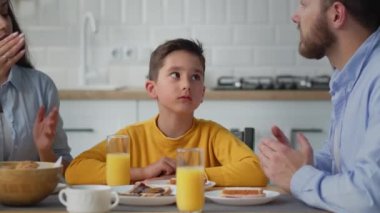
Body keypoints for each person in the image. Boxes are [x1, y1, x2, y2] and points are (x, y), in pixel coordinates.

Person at [65, 38, 268, 187]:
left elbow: (257, 172)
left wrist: (191, 174)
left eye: (195, 77)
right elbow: (75, 171)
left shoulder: (213, 135)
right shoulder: (132, 136)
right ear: (152, 89)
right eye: (175, 75)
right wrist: (142, 172)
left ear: (203, 93)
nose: (186, 84)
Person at [258, 0, 380, 212]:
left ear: (336, 15)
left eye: (304, 5)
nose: (295, 17)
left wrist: (298, 177)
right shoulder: (349, 75)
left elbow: (368, 196)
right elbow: (340, 163)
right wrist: (300, 164)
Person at [0, 0, 72, 170]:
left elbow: (65, 165)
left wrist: (45, 150)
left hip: (29, 196)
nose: (3, 24)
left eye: (4, 13)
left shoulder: (41, 86)